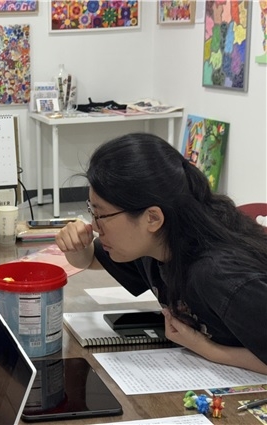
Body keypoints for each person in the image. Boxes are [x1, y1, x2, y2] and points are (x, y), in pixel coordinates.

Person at [55, 132, 267, 375]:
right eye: (92, 211)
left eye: (101, 215)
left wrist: (209, 350)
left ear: (152, 218)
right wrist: (77, 246)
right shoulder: (157, 245)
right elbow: (91, 258)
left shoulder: (218, 275)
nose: (94, 226)